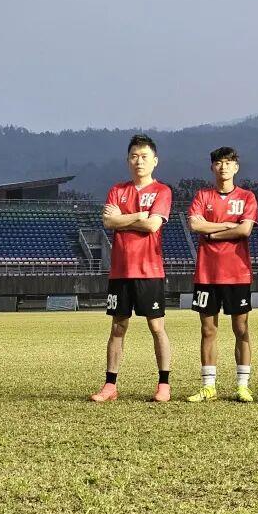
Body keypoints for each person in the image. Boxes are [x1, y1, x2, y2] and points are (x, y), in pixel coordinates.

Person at [91, 134, 173, 403]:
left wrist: (123, 219)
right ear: (127, 160)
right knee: (117, 327)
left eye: (144, 156)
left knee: (157, 327)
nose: (139, 161)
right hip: (121, 271)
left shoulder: (162, 191)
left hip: (149, 270)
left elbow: (152, 225)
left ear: (155, 161)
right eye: (134, 156)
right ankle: (110, 386)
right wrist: (138, 215)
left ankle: (164, 384)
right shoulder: (117, 190)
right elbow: (108, 223)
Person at [186, 147, 258, 403]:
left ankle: (242, 386)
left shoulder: (247, 197)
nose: (223, 167)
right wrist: (228, 225)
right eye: (218, 163)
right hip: (207, 274)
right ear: (212, 168)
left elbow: (245, 230)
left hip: (237, 274)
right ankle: (209, 386)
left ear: (236, 167)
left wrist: (213, 233)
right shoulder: (202, 195)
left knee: (241, 329)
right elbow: (195, 224)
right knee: (208, 330)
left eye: (228, 163)